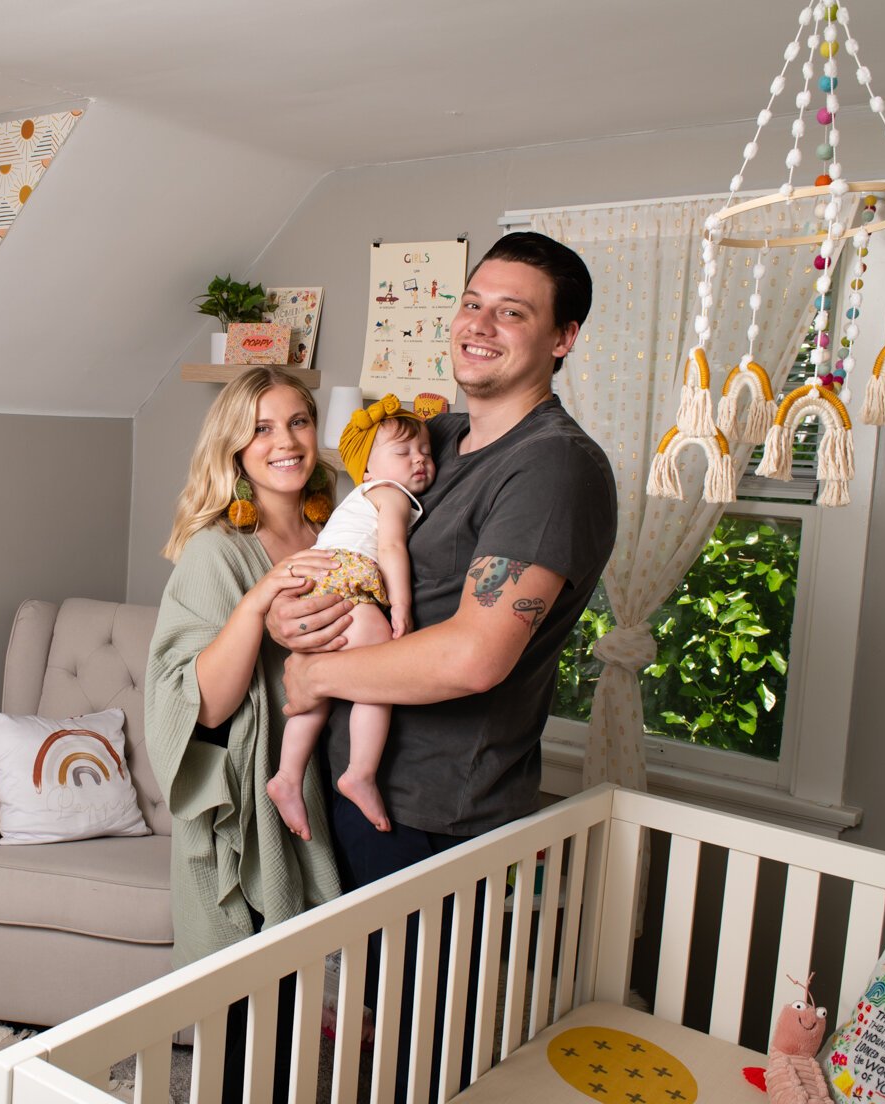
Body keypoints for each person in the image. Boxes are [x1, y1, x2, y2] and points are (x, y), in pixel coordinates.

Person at [272, 231, 618, 1095]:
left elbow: (473, 655)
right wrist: (287, 607)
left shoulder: (552, 470)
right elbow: (350, 535)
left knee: (418, 1046)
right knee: (344, 1019)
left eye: (514, 313)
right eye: (473, 302)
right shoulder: (437, 436)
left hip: (428, 807)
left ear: (562, 338)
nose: (480, 325)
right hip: (348, 771)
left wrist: (315, 676)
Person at [145, 366, 343, 1101]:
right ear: (234, 448)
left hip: (330, 779)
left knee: (298, 998)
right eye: (261, 428)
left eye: (297, 421)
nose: (285, 442)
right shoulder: (216, 551)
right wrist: (259, 601)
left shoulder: (336, 523)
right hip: (252, 798)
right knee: (247, 1001)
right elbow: (204, 704)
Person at [265, 394, 434, 841]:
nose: (418, 461)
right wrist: (401, 607)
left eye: (425, 453)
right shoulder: (389, 493)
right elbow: (393, 548)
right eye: (402, 453)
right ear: (369, 471)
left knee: (319, 688)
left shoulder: (357, 498)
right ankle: (360, 771)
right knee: (377, 674)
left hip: (314, 583)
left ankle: (286, 776)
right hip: (346, 580)